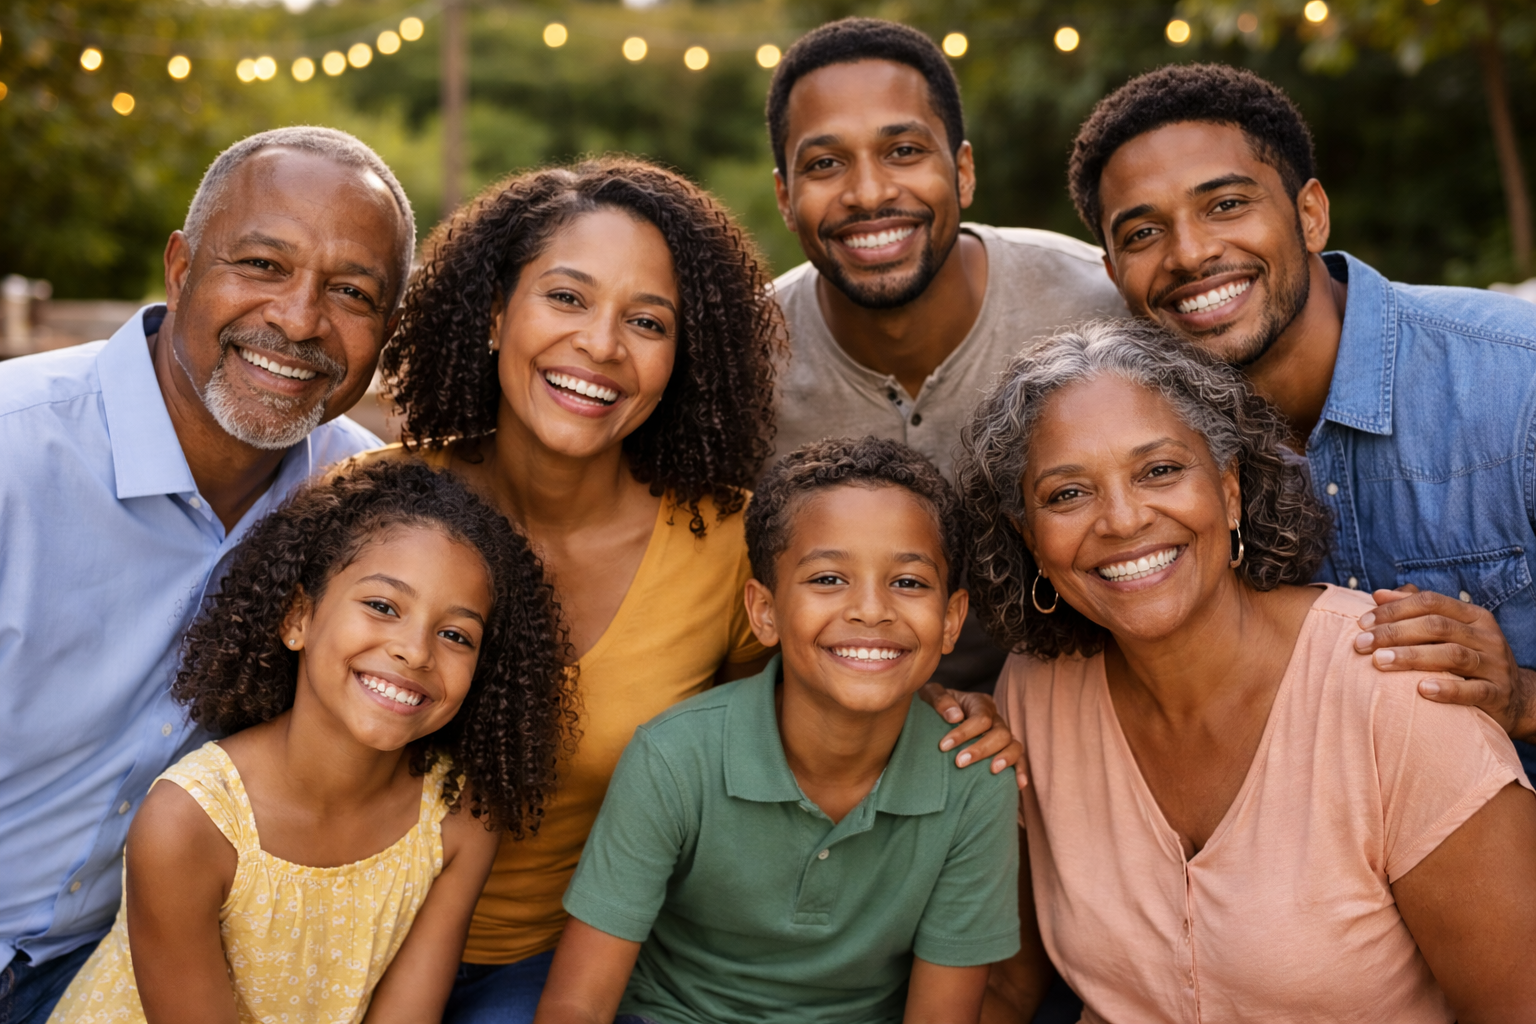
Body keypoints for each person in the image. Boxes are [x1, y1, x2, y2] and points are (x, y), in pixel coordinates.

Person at [361, 158, 1020, 1022]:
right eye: (566, 298)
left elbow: (814, 680)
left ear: (683, 358)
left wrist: (934, 698)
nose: (602, 345)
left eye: (647, 321)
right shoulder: (371, 509)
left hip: (550, 961)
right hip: (333, 927)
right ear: (494, 312)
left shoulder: (723, 549)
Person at [959, 321, 1536, 1022]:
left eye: (1159, 471)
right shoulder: (1033, 693)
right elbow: (1004, 986)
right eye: (1067, 494)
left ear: (1228, 491)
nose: (1121, 519)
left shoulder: (1399, 687)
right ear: (1031, 539)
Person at [0, 126, 414, 1024]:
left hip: (134, 967)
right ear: (182, 267)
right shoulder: (13, 451)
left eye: (351, 292)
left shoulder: (359, 501)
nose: (300, 320)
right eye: (263, 264)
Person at [1067, 62, 1536, 775]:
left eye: (1224, 205)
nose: (1190, 254)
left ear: (1310, 214)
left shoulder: (1514, 378)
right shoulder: (1147, 457)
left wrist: (1521, 697)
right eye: (1142, 234)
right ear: (1112, 274)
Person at [48, 460, 574, 1024]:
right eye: (382, 606)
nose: (416, 651)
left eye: (455, 635)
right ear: (298, 616)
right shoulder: (189, 822)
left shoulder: (458, 815)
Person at [536, 436, 1020, 1024]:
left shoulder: (975, 780)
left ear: (951, 622)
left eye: (909, 583)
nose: (871, 609)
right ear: (764, 612)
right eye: (827, 580)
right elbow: (577, 1004)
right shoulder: (673, 758)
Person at [763, 18, 1126, 693]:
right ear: (785, 197)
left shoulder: (1099, 307)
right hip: (843, 725)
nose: (868, 193)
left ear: (961, 171)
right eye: (824, 163)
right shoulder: (746, 362)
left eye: (903, 150)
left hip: (1086, 698)